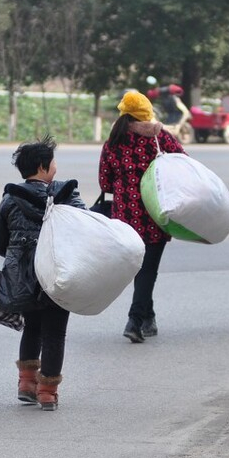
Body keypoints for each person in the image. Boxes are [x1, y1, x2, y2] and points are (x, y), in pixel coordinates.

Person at [0, 135, 86, 411]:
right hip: (58, 275)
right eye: (53, 161)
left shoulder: (10, 198)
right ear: (44, 167)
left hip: (23, 278)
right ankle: (47, 392)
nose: (56, 166)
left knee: (32, 327)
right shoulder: (67, 195)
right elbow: (86, 230)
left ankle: (26, 384)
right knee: (55, 333)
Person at [98, 90, 186, 343]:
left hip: (124, 217)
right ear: (147, 113)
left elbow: (105, 183)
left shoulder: (113, 142)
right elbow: (184, 166)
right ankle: (135, 320)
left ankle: (148, 317)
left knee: (141, 269)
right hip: (155, 214)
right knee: (148, 270)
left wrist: (126, 185)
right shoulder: (160, 139)